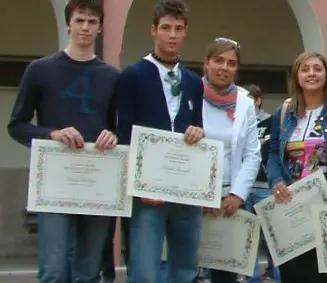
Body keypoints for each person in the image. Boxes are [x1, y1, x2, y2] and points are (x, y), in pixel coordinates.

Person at [7, 0, 120, 282]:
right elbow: (17, 125)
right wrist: (51, 134)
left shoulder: (112, 77)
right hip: (54, 183)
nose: (85, 27)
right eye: (80, 20)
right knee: (54, 271)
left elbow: (121, 129)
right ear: (69, 22)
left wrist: (114, 135)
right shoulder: (40, 70)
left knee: (88, 271)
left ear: (100, 27)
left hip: (97, 183)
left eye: (92, 22)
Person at [115, 1, 205, 282]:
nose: (172, 35)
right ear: (153, 30)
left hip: (185, 190)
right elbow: (125, 133)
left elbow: (197, 125)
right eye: (166, 28)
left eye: (178, 29)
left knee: (185, 266)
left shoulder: (193, 81)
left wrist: (197, 132)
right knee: (144, 268)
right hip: (147, 194)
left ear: (186, 32)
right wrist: (139, 184)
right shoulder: (133, 75)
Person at [267, 51, 327, 283]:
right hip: (293, 203)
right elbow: (274, 152)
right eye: (305, 69)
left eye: (317, 68)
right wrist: (276, 181)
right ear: (296, 76)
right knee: (295, 272)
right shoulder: (284, 113)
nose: (311, 74)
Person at [201, 38, 261, 283]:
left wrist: (237, 194)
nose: (224, 67)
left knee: (224, 274)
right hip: (194, 198)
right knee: (186, 268)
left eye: (231, 63)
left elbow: (252, 154)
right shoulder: (190, 95)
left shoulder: (245, 103)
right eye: (218, 61)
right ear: (206, 64)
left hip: (229, 200)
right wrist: (202, 195)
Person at [242, 83, 281, 283]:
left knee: (272, 233)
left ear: (258, 100)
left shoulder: (272, 121)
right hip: (245, 187)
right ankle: (253, 275)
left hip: (265, 186)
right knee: (248, 234)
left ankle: (278, 273)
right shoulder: (240, 122)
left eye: (250, 99)